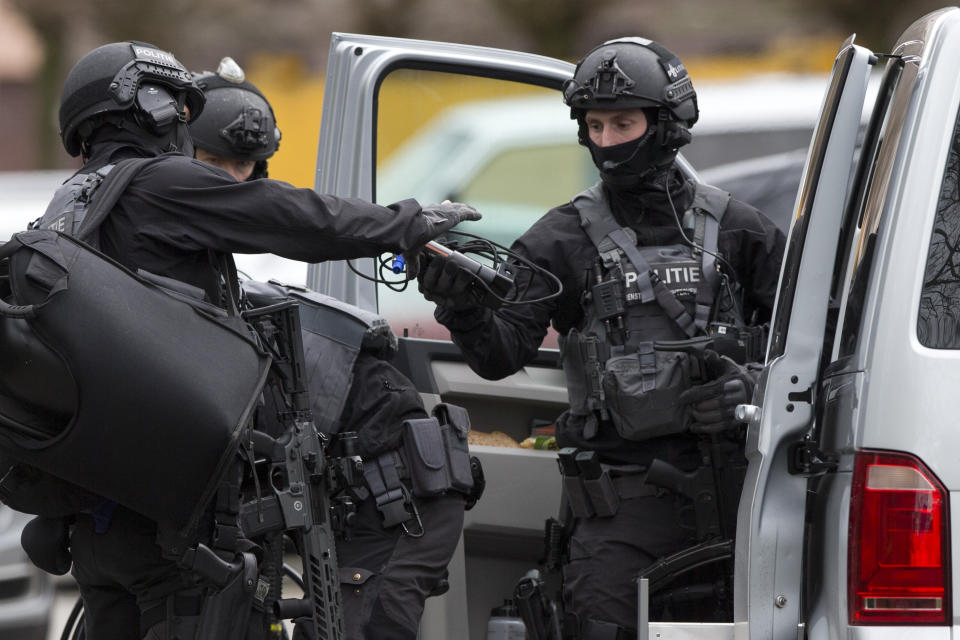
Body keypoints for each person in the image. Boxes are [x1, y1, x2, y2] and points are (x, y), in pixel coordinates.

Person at [13, 40, 479, 640]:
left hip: (102, 523)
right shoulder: (156, 184)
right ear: (146, 105)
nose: (181, 121)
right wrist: (405, 224)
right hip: (175, 529)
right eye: (174, 106)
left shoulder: (70, 206)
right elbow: (289, 217)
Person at [418, 37, 786, 638]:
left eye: (624, 122)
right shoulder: (560, 238)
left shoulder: (744, 231)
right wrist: (461, 307)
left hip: (744, 499)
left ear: (667, 124)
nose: (609, 140)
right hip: (620, 513)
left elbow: (816, 354)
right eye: (595, 125)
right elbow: (498, 355)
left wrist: (754, 388)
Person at [189, 60, 471, 639]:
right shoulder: (168, 260)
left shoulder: (231, 291)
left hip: (393, 491)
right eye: (211, 162)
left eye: (241, 166)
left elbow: (295, 216)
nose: (229, 181)